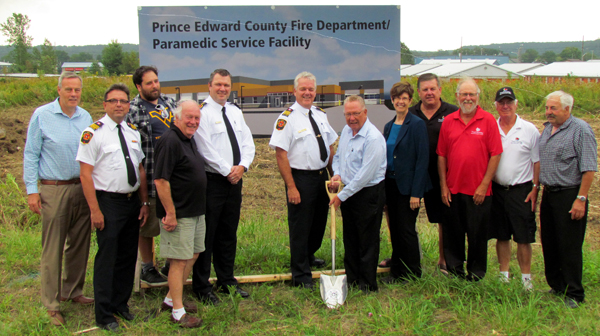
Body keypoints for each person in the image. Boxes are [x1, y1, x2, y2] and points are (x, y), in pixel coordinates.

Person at [23, 72, 94, 326]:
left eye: (77, 90)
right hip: (54, 188)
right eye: (68, 89)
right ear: (59, 89)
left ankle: (72, 291)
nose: (73, 94)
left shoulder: (85, 116)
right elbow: (31, 154)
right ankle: (52, 304)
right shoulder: (42, 115)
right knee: (53, 247)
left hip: (81, 187)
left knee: (79, 243)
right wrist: (32, 190)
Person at [77, 84, 149, 332]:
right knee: (107, 258)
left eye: (124, 101)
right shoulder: (93, 133)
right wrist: (95, 210)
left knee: (128, 256)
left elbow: (140, 170)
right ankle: (104, 314)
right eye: (114, 100)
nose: (119, 105)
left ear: (129, 105)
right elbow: (85, 175)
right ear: (105, 104)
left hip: (132, 203)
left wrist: (145, 202)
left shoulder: (133, 132)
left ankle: (121, 304)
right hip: (107, 202)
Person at [270, 71, 338, 289]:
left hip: (321, 178)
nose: (307, 93)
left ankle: (309, 256)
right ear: (295, 91)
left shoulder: (320, 114)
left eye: (311, 89)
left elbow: (329, 148)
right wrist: (291, 186)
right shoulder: (286, 119)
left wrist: (334, 174)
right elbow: (281, 155)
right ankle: (300, 275)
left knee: (318, 223)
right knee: (300, 227)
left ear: (315, 92)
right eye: (303, 89)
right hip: (300, 178)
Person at [192, 69, 255, 304]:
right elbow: (204, 148)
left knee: (228, 233)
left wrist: (243, 166)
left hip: (235, 180)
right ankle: (201, 286)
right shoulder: (203, 114)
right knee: (207, 236)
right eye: (218, 84)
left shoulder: (236, 112)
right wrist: (228, 170)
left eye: (226, 85)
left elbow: (248, 143)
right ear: (209, 86)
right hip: (214, 182)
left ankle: (226, 280)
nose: (222, 89)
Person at [437, 77, 503, 281]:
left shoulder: (488, 120)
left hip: (478, 191)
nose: (468, 98)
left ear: (478, 97)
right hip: (453, 189)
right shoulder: (449, 121)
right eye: (464, 94)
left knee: (477, 236)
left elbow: (496, 154)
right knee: (453, 234)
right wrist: (444, 186)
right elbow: (442, 155)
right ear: (457, 96)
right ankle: (455, 271)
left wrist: (484, 185)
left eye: (471, 94)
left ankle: (476, 274)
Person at [539, 90, 597, 308]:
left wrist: (580, 198)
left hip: (569, 194)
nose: (548, 112)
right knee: (550, 242)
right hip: (549, 193)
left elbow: (589, 167)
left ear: (567, 109)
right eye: (547, 107)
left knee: (569, 245)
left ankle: (574, 293)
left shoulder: (580, 130)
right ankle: (557, 285)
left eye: (553, 108)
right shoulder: (547, 129)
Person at [154, 100, 205, 328]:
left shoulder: (188, 139)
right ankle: (178, 312)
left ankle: (170, 300)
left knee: (193, 254)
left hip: (195, 211)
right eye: (189, 118)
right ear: (177, 118)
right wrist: (171, 213)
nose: (193, 122)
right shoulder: (170, 140)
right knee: (178, 261)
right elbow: (161, 180)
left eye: (196, 118)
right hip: (180, 213)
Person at [126, 65, 177, 285]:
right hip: (150, 175)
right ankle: (147, 266)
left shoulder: (170, 103)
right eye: (149, 83)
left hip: (174, 177)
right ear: (139, 86)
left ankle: (170, 264)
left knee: (173, 222)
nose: (154, 86)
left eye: (156, 81)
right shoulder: (133, 109)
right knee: (147, 226)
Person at [329, 95, 386, 292]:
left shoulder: (373, 138)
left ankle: (367, 284)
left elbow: (365, 175)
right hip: (349, 192)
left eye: (356, 113)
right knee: (350, 237)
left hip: (368, 193)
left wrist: (341, 197)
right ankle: (352, 278)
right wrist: (336, 174)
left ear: (365, 112)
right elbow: (338, 157)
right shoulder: (346, 131)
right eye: (348, 114)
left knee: (367, 240)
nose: (352, 118)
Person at [405, 73, 458, 273]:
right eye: (425, 89)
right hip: (415, 177)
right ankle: (408, 261)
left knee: (445, 219)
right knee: (407, 220)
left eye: (432, 89)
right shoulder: (409, 114)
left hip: (442, 177)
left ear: (440, 90)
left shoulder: (453, 113)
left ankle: (444, 260)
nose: (429, 93)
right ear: (418, 92)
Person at [490, 87, 540, 290]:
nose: (505, 106)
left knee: (523, 237)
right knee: (501, 235)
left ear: (516, 103)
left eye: (509, 102)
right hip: (497, 190)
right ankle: (504, 275)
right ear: (495, 106)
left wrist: (536, 188)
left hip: (522, 190)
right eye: (501, 102)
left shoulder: (529, 130)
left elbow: (537, 162)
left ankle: (526, 279)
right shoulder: (492, 127)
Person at [380, 82, 431, 283]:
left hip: (408, 188)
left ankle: (412, 273)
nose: (400, 101)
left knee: (406, 230)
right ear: (392, 101)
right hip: (390, 185)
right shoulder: (388, 126)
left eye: (404, 98)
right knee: (395, 228)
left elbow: (422, 160)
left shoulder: (417, 125)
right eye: (397, 98)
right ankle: (398, 268)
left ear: (410, 101)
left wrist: (416, 193)